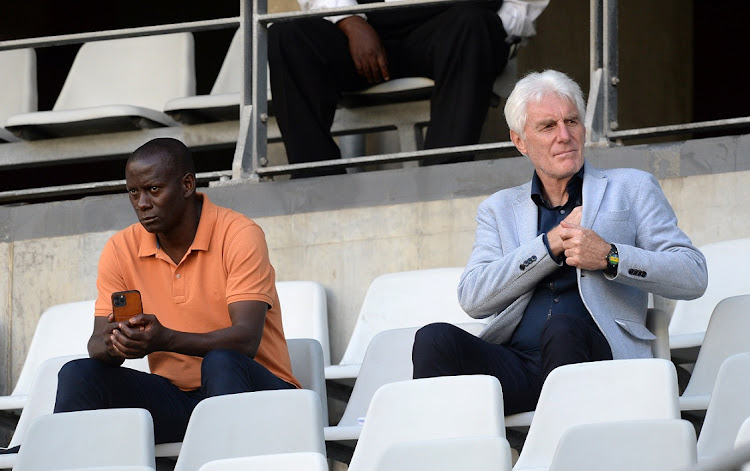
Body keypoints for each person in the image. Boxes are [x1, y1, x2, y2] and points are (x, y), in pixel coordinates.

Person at [411, 70, 708, 415]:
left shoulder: (632, 187)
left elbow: (692, 274)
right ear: (520, 141)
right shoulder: (498, 209)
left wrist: (611, 257)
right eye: (548, 126)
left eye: (572, 122)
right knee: (434, 340)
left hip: (597, 358)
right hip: (517, 366)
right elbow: (475, 298)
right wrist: (547, 248)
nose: (564, 136)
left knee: (563, 329)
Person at [53, 137, 300, 444]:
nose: (142, 203)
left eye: (153, 189)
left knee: (221, 362)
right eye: (133, 192)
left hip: (261, 398)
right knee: (79, 375)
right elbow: (96, 344)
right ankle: (58, 456)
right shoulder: (120, 249)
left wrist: (164, 339)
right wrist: (117, 344)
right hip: (179, 401)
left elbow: (246, 340)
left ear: (186, 185)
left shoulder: (239, 234)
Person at [268, 0, 548, 177]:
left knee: (473, 25)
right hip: (368, 24)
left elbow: (521, 5)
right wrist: (349, 20)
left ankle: (441, 174)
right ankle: (316, 178)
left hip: (453, 20)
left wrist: (495, 25)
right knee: (288, 35)